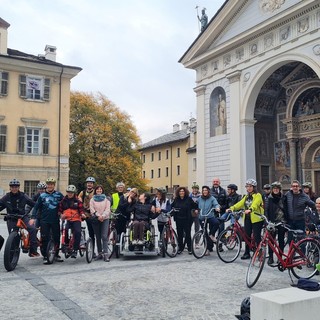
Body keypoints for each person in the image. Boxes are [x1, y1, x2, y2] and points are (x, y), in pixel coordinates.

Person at [227, 179, 264, 260]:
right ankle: (247, 252)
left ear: (254, 187)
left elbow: (255, 204)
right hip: (247, 218)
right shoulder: (246, 197)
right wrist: (232, 208)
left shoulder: (258, 195)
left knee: (257, 236)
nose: (249, 188)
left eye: (251, 186)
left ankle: (259, 252)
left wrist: (250, 209)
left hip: (257, 219)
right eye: (247, 186)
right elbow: (240, 204)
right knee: (246, 235)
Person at [0, 179, 39, 257]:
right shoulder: (6, 197)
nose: (14, 188)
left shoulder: (23, 196)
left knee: (32, 228)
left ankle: (33, 250)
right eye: (12, 187)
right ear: (10, 188)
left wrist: (36, 213)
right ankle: (12, 256)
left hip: (22, 217)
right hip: (11, 218)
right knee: (13, 236)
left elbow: (34, 204)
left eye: (16, 187)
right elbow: (1, 204)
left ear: (19, 187)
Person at [32, 177, 64, 263]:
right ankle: (46, 255)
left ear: (54, 185)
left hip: (55, 220)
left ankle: (56, 254)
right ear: (47, 185)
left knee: (56, 237)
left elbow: (65, 203)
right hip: (44, 221)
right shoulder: (42, 196)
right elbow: (36, 207)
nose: (50, 186)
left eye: (52, 184)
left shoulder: (59, 195)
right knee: (44, 238)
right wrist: (33, 217)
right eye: (49, 184)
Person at [58, 185, 86, 259]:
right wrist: (61, 215)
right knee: (65, 230)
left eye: (71, 192)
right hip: (67, 219)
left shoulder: (78, 201)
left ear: (74, 193)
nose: (69, 194)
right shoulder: (63, 201)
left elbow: (81, 210)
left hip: (76, 219)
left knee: (77, 232)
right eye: (68, 192)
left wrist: (82, 214)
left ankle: (75, 249)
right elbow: (59, 210)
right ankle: (66, 245)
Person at [264, 181, 286, 265]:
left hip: (282, 222)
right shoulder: (269, 198)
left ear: (279, 189)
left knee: (281, 240)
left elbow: (286, 209)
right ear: (272, 189)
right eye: (274, 188)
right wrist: (267, 222)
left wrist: (286, 221)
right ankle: (270, 257)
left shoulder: (284, 198)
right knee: (271, 241)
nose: (276, 190)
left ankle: (280, 257)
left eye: (277, 188)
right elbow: (266, 210)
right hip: (272, 222)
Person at [171, 187, 198, 254]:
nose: (181, 192)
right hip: (178, 219)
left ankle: (189, 248)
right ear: (178, 192)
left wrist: (196, 209)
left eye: (183, 191)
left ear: (185, 192)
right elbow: (172, 206)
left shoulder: (188, 199)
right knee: (179, 234)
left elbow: (195, 205)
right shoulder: (176, 199)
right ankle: (180, 248)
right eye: (180, 191)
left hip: (187, 219)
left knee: (188, 234)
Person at [89, 185, 111, 262]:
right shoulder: (92, 200)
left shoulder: (106, 199)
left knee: (104, 236)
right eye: (97, 189)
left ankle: (106, 254)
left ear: (102, 190)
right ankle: (100, 253)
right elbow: (92, 209)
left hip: (105, 219)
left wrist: (103, 216)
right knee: (98, 237)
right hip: (96, 219)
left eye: (100, 189)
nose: (99, 190)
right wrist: (98, 216)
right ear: (95, 190)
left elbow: (108, 209)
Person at [196, 186, 220, 256]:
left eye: (206, 190)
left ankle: (212, 235)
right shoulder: (200, 198)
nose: (204, 191)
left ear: (208, 191)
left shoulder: (212, 198)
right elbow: (195, 205)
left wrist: (217, 208)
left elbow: (216, 204)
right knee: (204, 233)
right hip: (202, 217)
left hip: (210, 216)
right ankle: (207, 249)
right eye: (203, 190)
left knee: (216, 222)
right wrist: (196, 209)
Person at [78, 176, 96, 258]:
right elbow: (78, 200)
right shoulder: (83, 192)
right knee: (76, 227)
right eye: (88, 183)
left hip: (91, 213)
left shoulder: (95, 192)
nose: (89, 184)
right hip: (83, 212)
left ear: (93, 184)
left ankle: (92, 250)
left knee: (91, 232)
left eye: (91, 183)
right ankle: (79, 241)